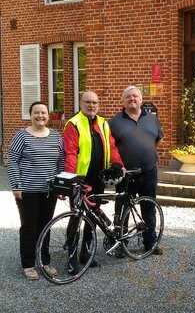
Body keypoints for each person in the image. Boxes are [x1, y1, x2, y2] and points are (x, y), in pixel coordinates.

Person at [64, 90, 123, 272]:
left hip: (98, 178)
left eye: (95, 103)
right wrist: (70, 179)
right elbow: (70, 153)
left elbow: (111, 146)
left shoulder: (104, 123)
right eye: (88, 102)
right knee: (76, 217)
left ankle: (86, 253)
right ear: (81, 103)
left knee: (94, 215)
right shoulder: (73, 124)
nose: (91, 105)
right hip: (80, 180)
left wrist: (117, 163)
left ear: (98, 105)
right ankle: (71, 258)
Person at [8, 101, 64, 280]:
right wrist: (16, 185)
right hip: (27, 190)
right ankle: (28, 264)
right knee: (29, 227)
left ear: (48, 116)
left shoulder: (56, 136)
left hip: (49, 191)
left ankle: (44, 261)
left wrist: (61, 186)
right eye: (36, 113)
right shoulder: (22, 136)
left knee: (45, 226)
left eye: (43, 113)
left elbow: (60, 162)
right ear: (31, 115)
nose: (40, 116)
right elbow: (13, 160)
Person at [109, 85, 164, 255]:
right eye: (128, 97)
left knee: (149, 206)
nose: (132, 99)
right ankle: (121, 243)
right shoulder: (114, 122)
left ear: (141, 100)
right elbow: (110, 147)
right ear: (123, 101)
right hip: (126, 174)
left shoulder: (152, 119)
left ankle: (150, 242)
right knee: (123, 207)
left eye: (135, 96)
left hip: (149, 171)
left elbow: (158, 140)